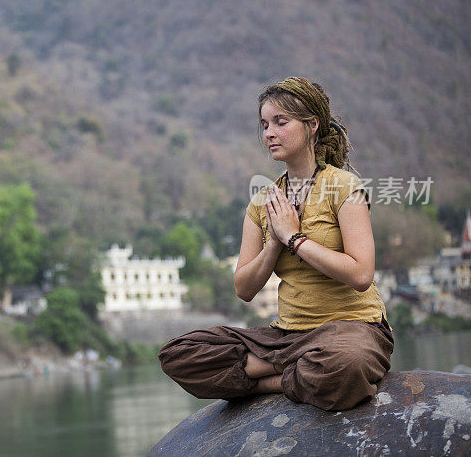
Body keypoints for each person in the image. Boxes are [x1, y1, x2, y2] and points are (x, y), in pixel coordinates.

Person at [158, 77, 393, 411]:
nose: (269, 132)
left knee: (346, 367)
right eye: (265, 124)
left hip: (350, 329)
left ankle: (259, 380)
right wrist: (275, 242)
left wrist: (296, 239)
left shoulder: (343, 187)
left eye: (281, 122)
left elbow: (360, 275)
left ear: (312, 125)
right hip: (287, 337)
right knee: (180, 354)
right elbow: (244, 288)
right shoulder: (262, 203)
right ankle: (295, 370)